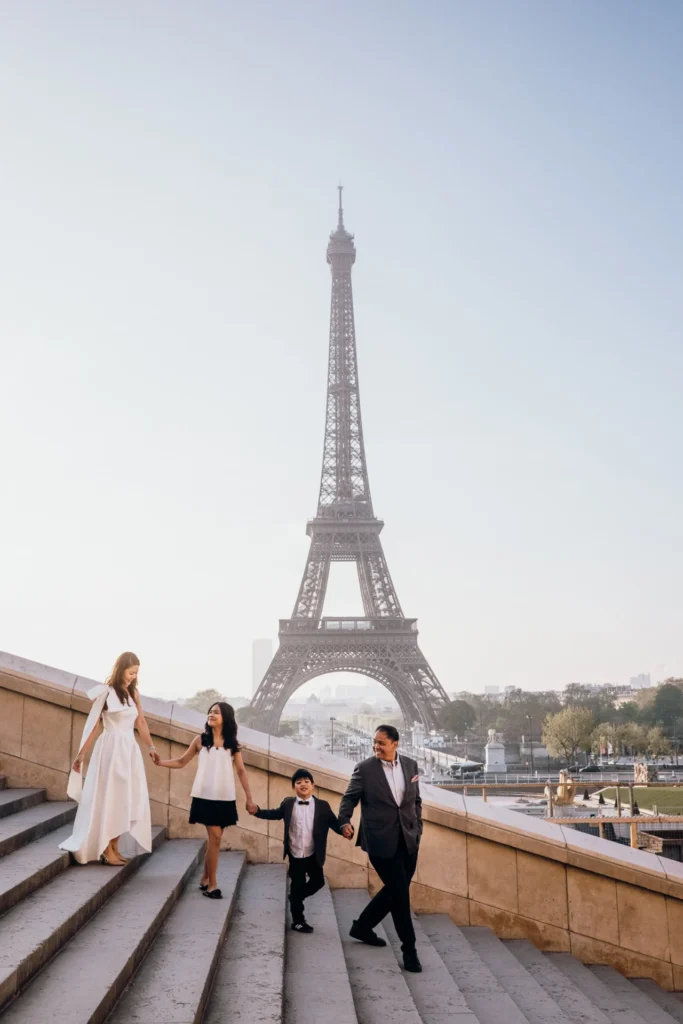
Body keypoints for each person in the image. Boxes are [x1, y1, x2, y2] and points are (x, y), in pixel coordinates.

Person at [337, 724, 423, 973]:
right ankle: (409, 950)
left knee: (396, 890)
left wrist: (418, 827)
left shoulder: (411, 765)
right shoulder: (365, 769)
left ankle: (362, 926)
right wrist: (344, 820)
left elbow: (416, 800)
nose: (376, 746)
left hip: (408, 838)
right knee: (400, 894)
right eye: (374, 742)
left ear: (395, 743)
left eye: (381, 743)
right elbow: (349, 797)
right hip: (379, 840)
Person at [60, 652, 158, 865]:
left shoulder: (134, 693)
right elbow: (94, 724)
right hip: (110, 750)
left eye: (136, 673)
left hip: (129, 750)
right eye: (131, 672)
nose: (133, 677)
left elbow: (141, 722)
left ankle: (114, 846)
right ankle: (106, 849)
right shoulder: (106, 693)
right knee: (111, 797)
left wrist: (151, 746)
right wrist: (82, 753)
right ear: (120, 669)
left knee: (126, 798)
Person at [155, 702, 257, 899]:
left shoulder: (232, 744)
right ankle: (212, 885)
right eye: (210, 711)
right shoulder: (200, 740)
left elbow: (241, 771)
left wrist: (249, 799)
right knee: (216, 838)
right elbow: (181, 761)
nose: (211, 714)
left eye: (216, 712)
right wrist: (161, 762)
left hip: (225, 797)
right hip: (204, 796)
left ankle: (204, 877)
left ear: (226, 717)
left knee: (214, 841)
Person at [251, 768, 347, 932]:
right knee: (297, 884)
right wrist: (257, 812)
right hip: (295, 853)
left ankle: (295, 898)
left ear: (313, 785)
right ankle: (298, 921)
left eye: (306, 781)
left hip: (313, 853)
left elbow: (334, 823)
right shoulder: (288, 804)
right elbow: (274, 814)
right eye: (299, 782)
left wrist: (345, 829)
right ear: (293, 786)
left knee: (318, 882)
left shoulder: (322, 806)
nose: (303, 784)